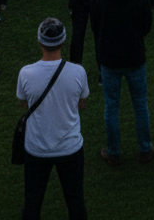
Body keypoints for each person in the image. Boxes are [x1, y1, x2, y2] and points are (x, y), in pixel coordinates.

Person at [16, 18, 90, 220]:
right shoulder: (78, 72)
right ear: (63, 42)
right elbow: (81, 103)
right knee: (76, 202)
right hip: (70, 147)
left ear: (40, 43)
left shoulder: (26, 73)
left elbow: (24, 103)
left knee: (32, 202)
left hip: (36, 148)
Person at [90, 0, 154, 165]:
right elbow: (146, 26)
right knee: (140, 104)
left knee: (111, 107)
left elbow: (96, 28)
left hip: (109, 58)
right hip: (134, 56)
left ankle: (114, 152)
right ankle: (145, 150)